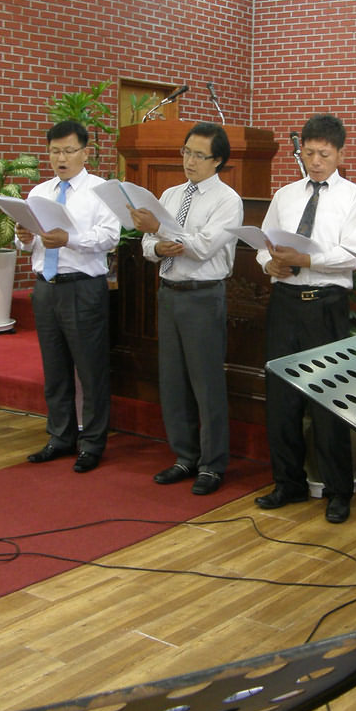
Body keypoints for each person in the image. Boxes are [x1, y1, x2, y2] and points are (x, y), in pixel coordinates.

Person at [255, 114, 356, 524]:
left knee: (328, 400)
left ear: (340, 153)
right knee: (282, 398)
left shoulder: (354, 197)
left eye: (324, 154)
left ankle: (339, 490)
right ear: (300, 150)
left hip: (325, 305)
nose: (316, 161)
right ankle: (288, 483)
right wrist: (269, 263)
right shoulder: (285, 195)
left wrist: (307, 259)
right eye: (309, 153)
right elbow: (262, 244)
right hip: (285, 302)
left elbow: (352, 255)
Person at [133, 122, 243, 495]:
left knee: (205, 383)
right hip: (169, 291)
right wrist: (158, 244)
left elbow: (202, 247)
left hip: (202, 295)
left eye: (199, 155)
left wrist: (162, 234)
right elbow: (148, 246)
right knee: (173, 379)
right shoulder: (170, 193)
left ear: (218, 161)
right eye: (186, 152)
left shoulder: (227, 200)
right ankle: (184, 456)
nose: (190, 161)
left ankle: (212, 465)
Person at [16, 120, 120, 473]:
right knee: (55, 368)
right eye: (55, 151)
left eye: (68, 151)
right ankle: (60, 436)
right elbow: (26, 244)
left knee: (90, 370)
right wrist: (25, 236)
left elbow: (109, 237)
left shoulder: (101, 190)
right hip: (46, 287)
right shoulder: (40, 192)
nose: (61, 158)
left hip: (83, 286)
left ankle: (92, 442)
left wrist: (69, 239)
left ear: (85, 152)